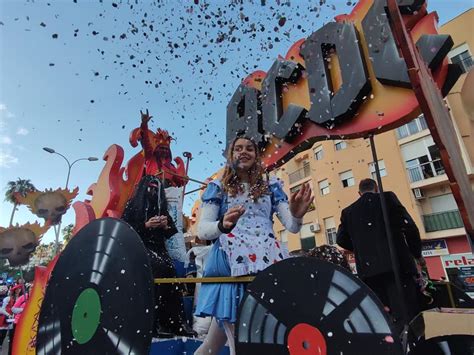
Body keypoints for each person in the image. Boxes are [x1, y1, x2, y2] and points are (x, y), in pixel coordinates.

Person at [194, 136, 313, 355]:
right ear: (231, 156)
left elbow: (292, 227)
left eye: (250, 148)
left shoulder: (272, 185)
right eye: (238, 148)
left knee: (215, 346)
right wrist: (222, 225)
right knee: (242, 344)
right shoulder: (218, 187)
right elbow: (202, 230)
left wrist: (296, 215)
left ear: (257, 156)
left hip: (267, 267)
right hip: (233, 270)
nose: (244, 152)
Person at [336, 178, 423, 335]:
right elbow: (409, 226)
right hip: (398, 267)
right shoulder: (388, 199)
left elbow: (340, 239)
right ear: (376, 188)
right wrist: (417, 254)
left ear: (359, 193)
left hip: (369, 274)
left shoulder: (348, 212)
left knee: (381, 319)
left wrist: (362, 249)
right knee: (408, 317)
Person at [122, 175, 196, 338]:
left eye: (156, 189)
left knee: (171, 276)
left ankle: (174, 322)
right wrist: (146, 225)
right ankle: (154, 322)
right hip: (139, 248)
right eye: (150, 187)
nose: (152, 191)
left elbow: (171, 233)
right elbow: (125, 229)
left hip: (159, 249)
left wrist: (166, 224)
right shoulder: (132, 206)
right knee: (159, 271)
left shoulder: (161, 208)